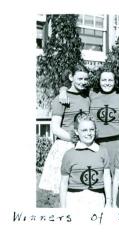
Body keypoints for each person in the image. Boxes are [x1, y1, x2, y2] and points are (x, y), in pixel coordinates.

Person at [39, 63, 91, 194]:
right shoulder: (61, 98)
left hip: (84, 145)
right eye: (80, 79)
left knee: (82, 189)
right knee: (63, 189)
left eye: (85, 79)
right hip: (66, 145)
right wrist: (74, 139)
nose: (83, 82)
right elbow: (55, 128)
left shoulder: (87, 97)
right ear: (71, 77)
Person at [59, 114, 112, 208]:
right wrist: (63, 207)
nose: (89, 133)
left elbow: (107, 178)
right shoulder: (69, 154)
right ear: (76, 131)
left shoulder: (103, 151)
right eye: (84, 130)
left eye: (91, 129)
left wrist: (108, 202)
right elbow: (63, 183)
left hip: (97, 198)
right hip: (74, 199)